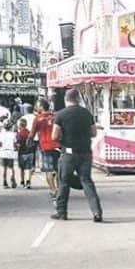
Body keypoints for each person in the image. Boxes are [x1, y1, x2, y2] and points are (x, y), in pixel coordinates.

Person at [51, 88, 103, 222]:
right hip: (85, 153)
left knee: (64, 182)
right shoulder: (87, 113)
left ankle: (62, 212)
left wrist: (64, 138)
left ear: (65, 100)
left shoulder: (60, 115)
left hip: (68, 153)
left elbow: (54, 136)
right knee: (87, 181)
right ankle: (97, 212)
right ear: (78, 99)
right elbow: (94, 133)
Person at [31, 99, 60, 197]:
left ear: (42, 107)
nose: (36, 107)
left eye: (37, 105)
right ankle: (60, 189)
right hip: (58, 146)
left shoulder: (38, 119)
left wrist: (28, 142)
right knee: (58, 169)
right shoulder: (55, 117)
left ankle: (53, 190)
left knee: (48, 170)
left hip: (46, 147)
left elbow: (32, 133)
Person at [16, 111, 37, 188]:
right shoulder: (29, 132)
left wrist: (16, 149)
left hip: (22, 153)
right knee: (28, 168)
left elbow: (18, 144)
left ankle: (22, 181)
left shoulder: (19, 134)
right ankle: (28, 181)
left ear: (19, 125)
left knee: (22, 168)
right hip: (30, 152)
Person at [0, 120, 18, 189]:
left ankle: (4, 181)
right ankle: (12, 179)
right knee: (11, 168)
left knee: (4, 168)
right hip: (10, 152)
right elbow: (15, 144)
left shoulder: (1, 134)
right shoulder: (13, 134)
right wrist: (16, 148)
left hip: (3, 152)